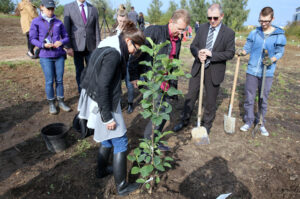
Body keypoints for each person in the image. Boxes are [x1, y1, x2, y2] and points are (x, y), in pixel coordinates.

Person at [77, 21, 145, 196]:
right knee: (120, 139)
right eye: (136, 49)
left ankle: (101, 170)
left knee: (107, 139)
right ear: (129, 41)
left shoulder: (110, 42)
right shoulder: (114, 54)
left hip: (94, 97)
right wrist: (107, 117)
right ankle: (122, 187)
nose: (135, 53)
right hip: (102, 101)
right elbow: (103, 87)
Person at [129, 9, 190, 150]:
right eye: (179, 29)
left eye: (183, 30)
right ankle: (148, 146)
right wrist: (134, 76)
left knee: (165, 111)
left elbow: (174, 61)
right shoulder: (154, 31)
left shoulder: (178, 39)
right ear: (171, 22)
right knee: (159, 112)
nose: (181, 33)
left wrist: (173, 83)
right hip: (153, 80)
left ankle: (154, 140)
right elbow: (138, 53)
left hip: (166, 81)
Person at [173, 4, 235, 134]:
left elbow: (230, 53)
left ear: (221, 16)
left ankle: (206, 125)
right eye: (209, 17)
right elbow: (193, 46)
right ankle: (184, 120)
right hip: (198, 67)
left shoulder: (229, 33)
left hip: (214, 70)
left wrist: (212, 54)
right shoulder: (201, 28)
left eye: (215, 18)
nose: (212, 20)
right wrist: (198, 53)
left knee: (210, 100)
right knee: (191, 95)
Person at [237, 7, 286, 136]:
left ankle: (261, 123)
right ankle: (248, 121)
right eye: (261, 21)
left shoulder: (279, 35)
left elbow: (280, 52)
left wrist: (272, 59)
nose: (263, 24)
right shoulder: (254, 33)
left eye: (266, 21)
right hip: (252, 70)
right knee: (249, 97)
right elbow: (248, 46)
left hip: (267, 72)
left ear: (272, 19)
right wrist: (242, 52)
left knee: (263, 99)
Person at [29, 0, 71, 114]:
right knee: (49, 81)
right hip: (45, 56)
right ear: (42, 7)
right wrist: (42, 45)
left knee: (59, 80)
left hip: (59, 55)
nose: (51, 11)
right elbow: (32, 39)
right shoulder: (36, 22)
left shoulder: (58, 22)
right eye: (48, 9)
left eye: (52, 9)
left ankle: (61, 101)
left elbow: (66, 37)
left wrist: (61, 42)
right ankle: (52, 104)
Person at [64, 0, 101, 93]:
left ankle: (91, 93)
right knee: (79, 70)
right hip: (76, 46)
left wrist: (98, 46)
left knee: (92, 71)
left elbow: (96, 29)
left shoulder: (93, 9)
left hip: (91, 46)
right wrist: (68, 46)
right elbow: (66, 28)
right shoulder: (68, 7)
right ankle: (82, 93)